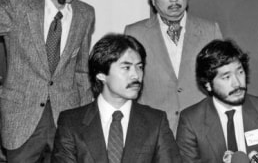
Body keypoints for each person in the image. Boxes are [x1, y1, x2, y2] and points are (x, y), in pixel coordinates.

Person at [0, 0, 94, 162]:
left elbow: (81, 70)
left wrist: (87, 114)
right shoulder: (18, 6)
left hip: (66, 116)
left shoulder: (85, 14)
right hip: (21, 119)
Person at [51, 34, 181, 162]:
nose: (136, 75)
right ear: (101, 74)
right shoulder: (71, 123)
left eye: (139, 67)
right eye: (126, 67)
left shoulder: (155, 121)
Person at [124, 0, 222, 135]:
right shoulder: (135, 33)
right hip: (152, 130)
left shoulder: (210, 31)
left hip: (202, 130)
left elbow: (222, 81)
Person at [176, 39, 258, 163]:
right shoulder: (191, 121)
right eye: (226, 77)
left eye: (240, 72)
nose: (237, 83)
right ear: (208, 84)